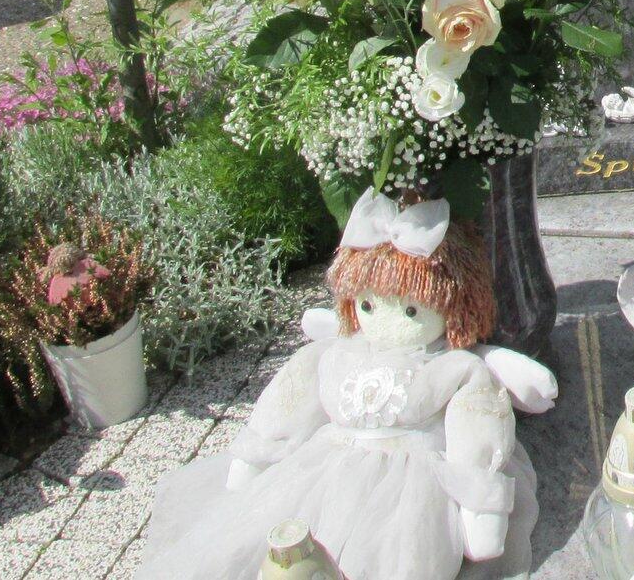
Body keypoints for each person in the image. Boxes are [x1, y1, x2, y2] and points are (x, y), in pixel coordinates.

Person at [138, 190, 548, 580]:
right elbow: (289, 402)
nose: (384, 322)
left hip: (412, 492)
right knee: (286, 547)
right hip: (325, 472)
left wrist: (481, 511)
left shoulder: (456, 368)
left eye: (411, 310)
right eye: (368, 304)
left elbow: (476, 430)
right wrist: (255, 460)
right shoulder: (334, 353)